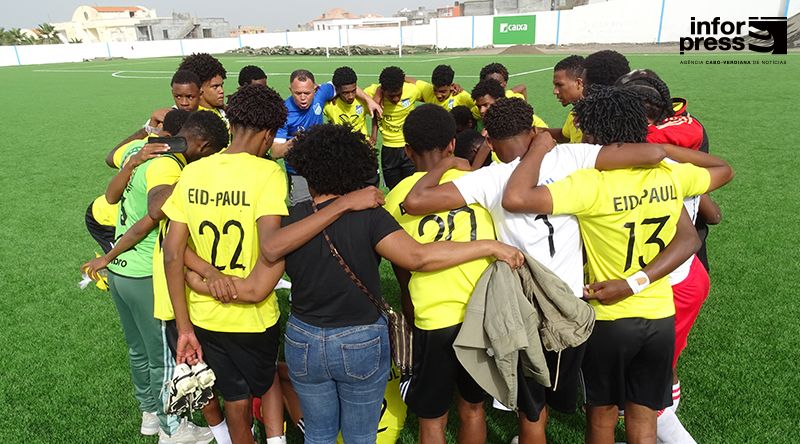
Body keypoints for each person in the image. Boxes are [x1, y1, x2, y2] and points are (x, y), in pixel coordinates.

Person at [402, 97, 696, 444]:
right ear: (534, 130)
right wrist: (548, 147)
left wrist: (447, 163)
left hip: (526, 311)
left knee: (532, 416)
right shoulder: (572, 157)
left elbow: (414, 201)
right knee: (572, 404)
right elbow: (650, 154)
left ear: (490, 140)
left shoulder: (489, 178)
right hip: (572, 309)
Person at [501, 86, 733, 444]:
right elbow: (723, 168)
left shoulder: (588, 184)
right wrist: (662, 152)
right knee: (643, 422)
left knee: (602, 419)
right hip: (659, 317)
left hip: (608, 319)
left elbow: (516, 197)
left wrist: (538, 151)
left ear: (593, 137)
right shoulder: (671, 174)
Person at [84, 110, 229, 444]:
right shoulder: (168, 165)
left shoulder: (149, 154)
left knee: (138, 351)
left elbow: (111, 196)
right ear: (203, 146)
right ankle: (173, 428)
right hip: (145, 274)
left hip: (122, 272)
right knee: (161, 357)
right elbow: (155, 211)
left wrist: (110, 255)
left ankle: (150, 413)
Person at [384, 104, 494, 444]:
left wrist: (408, 305)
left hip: (432, 317)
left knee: (432, 416)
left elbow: (401, 267)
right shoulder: (479, 182)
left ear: (407, 150)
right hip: (482, 311)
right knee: (473, 408)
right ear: (452, 144)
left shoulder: (397, 196)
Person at [272, 69, 382, 204]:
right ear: (290, 89)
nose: (302, 97)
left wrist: (369, 100)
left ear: (315, 88)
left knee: (330, 207)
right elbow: (275, 152)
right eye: (297, 93)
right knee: (303, 211)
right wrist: (298, 141)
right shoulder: (283, 113)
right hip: (298, 172)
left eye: (307, 93)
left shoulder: (322, 94)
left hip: (322, 167)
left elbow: (347, 86)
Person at [364, 66, 422, 189]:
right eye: (391, 96)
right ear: (383, 90)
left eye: (398, 94)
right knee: (393, 189)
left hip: (409, 148)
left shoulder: (412, 90)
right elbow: (353, 92)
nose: (395, 99)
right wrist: (374, 134)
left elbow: (432, 91)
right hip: (389, 150)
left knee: (412, 187)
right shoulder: (372, 91)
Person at [323, 66, 379, 145]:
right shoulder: (329, 104)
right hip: (340, 147)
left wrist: (374, 135)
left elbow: (375, 114)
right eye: (345, 93)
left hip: (363, 146)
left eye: (353, 91)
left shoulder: (363, 100)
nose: (351, 96)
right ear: (337, 90)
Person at [177, 53, 228, 123]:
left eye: (221, 85)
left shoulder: (220, 110)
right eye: (215, 87)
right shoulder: (195, 119)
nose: (221, 91)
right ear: (198, 89)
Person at [546, 55, 585, 144]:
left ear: (579, 83)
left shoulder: (597, 119)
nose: (555, 91)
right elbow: (564, 135)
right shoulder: (575, 112)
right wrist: (534, 131)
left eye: (559, 85)